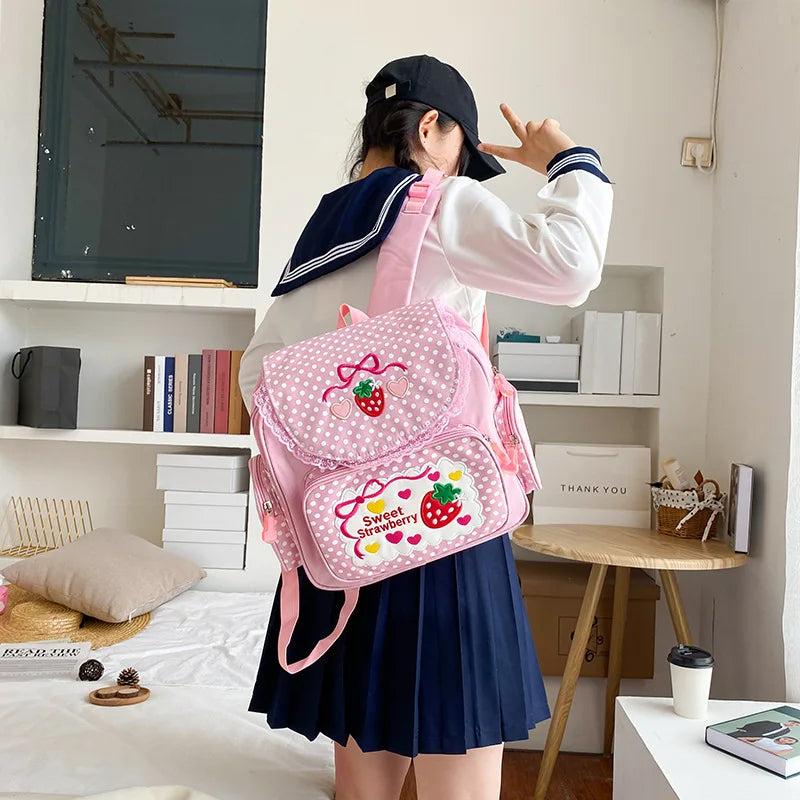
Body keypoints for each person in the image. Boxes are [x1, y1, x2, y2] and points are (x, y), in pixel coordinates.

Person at [239, 55, 613, 800]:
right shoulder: (438, 201)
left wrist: (351, 424)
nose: (463, 171)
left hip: (346, 533)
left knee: (363, 788)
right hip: (440, 526)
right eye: (461, 152)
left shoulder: (325, 225)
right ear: (432, 126)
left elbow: (259, 375)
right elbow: (571, 268)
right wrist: (569, 161)